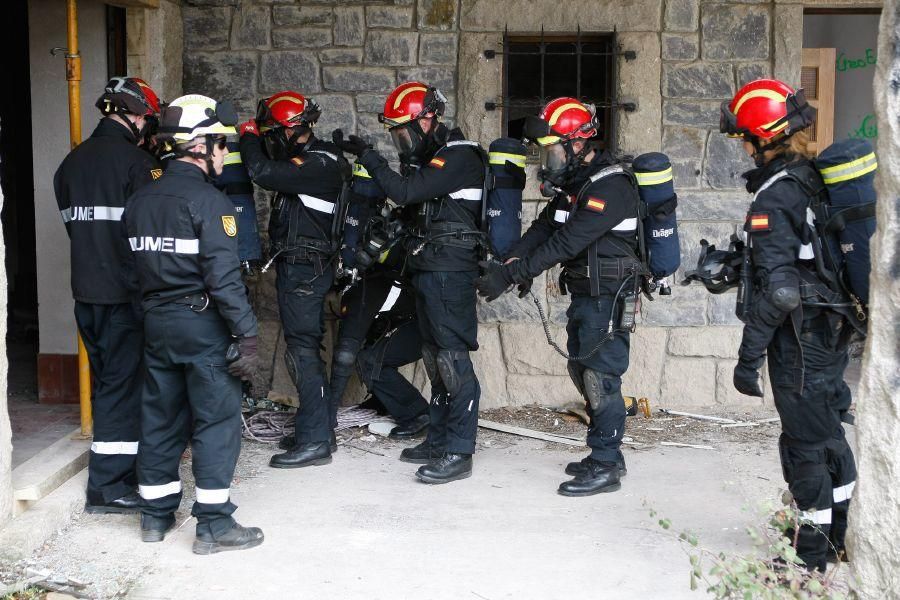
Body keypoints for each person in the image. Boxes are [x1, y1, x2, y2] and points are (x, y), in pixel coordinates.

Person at [718, 79, 857, 571]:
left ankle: (807, 560)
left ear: (763, 137)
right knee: (828, 434)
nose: (746, 148)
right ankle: (838, 535)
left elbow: (779, 290)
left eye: (745, 139)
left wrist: (747, 356)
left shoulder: (775, 197)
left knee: (804, 445)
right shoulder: (809, 177)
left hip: (799, 339)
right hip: (829, 328)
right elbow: (803, 258)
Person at [475, 97, 640, 496]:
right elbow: (545, 230)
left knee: (600, 376)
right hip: (587, 294)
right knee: (581, 370)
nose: (549, 160)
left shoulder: (611, 187)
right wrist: (513, 260)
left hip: (609, 296)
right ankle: (604, 452)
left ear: (579, 144)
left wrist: (515, 274)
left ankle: (605, 462)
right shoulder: (576, 187)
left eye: (553, 150)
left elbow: (566, 243)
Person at [125, 94, 263, 554]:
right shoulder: (210, 202)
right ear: (199, 145)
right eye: (221, 143)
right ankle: (213, 525)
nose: (225, 152)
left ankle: (155, 516)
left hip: (156, 323)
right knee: (215, 422)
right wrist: (247, 336)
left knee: (161, 419)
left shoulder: (141, 199)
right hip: (202, 325)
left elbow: (131, 270)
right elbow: (223, 279)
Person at [332, 81, 485, 484]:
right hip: (430, 271)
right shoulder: (434, 160)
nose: (401, 141)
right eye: (395, 134)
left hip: (451, 273)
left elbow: (404, 193)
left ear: (428, 120)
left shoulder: (460, 156)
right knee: (435, 361)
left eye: (403, 131)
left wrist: (371, 158)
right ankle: (438, 438)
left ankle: (459, 450)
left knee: (452, 362)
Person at [53, 77, 161, 514]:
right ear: (135, 116)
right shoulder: (138, 165)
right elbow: (151, 236)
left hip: (86, 295)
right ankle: (109, 486)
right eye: (145, 119)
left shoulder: (70, 164)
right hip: (125, 295)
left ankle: (120, 470)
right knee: (121, 388)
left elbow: (74, 229)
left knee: (107, 384)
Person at [238, 91, 347, 469]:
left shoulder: (319, 163)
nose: (268, 141)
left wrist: (248, 136)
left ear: (290, 131)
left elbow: (262, 173)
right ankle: (315, 428)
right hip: (301, 266)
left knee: (303, 350)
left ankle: (317, 440)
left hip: (306, 268)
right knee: (303, 349)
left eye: (271, 133)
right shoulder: (311, 161)